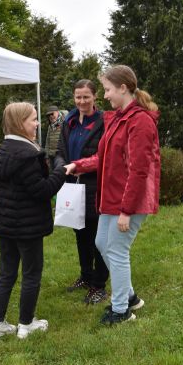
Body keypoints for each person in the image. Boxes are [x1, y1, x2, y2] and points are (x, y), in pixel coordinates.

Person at [65, 65, 160, 325]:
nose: (105, 95)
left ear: (123, 88)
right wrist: (78, 165)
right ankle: (129, 297)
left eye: (107, 90)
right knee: (101, 243)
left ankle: (120, 311)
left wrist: (127, 210)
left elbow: (139, 171)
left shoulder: (140, 121)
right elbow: (104, 157)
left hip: (129, 200)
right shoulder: (118, 118)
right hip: (112, 198)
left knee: (117, 250)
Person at [0, 102, 66, 341]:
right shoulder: (28, 154)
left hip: (6, 224)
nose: (38, 123)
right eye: (34, 119)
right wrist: (62, 170)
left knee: (6, 273)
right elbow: (42, 190)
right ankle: (27, 324)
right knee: (31, 273)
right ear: (21, 123)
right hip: (27, 226)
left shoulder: (4, 149)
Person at [55, 79, 109, 304]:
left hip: (95, 186)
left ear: (95, 96)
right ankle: (86, 276)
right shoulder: (68, 121)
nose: (82, 101)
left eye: (86, 96)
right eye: (78, 97)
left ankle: (99, 284)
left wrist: (80, 166)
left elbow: (105, 156)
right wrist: (62, 167)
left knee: (99, 238)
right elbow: (60, 151)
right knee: (80, 233)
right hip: (73, 185)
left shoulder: (103, 122)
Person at [45, 105, 67, 170]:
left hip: (61, 155)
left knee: (60, 172)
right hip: (51, 156)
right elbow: (47, 141)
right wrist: (46, 156)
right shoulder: (50, 126)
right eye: (49, 115)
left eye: (52, 114)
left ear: (57, 112)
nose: (51, 116)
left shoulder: (65, 123)